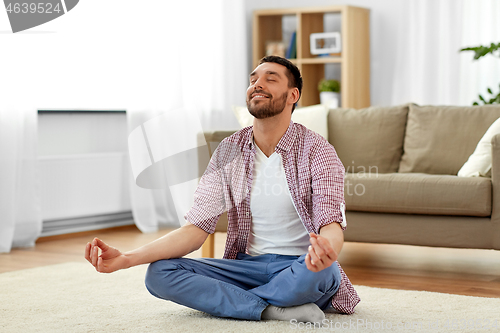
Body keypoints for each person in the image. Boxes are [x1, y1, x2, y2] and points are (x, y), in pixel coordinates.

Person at [85, 56, 360, 322]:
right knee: (159, 273)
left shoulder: (318, 150)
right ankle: (273, 309)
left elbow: (331, 224)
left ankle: (239, 303)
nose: (257, 84)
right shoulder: (229, 151)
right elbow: (195, 230)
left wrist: (327, 251)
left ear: (293, 95)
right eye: (253, 79)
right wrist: (126, 258)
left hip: (300, 266)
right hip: (245, 266)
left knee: (326, 273)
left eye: (270, 78)